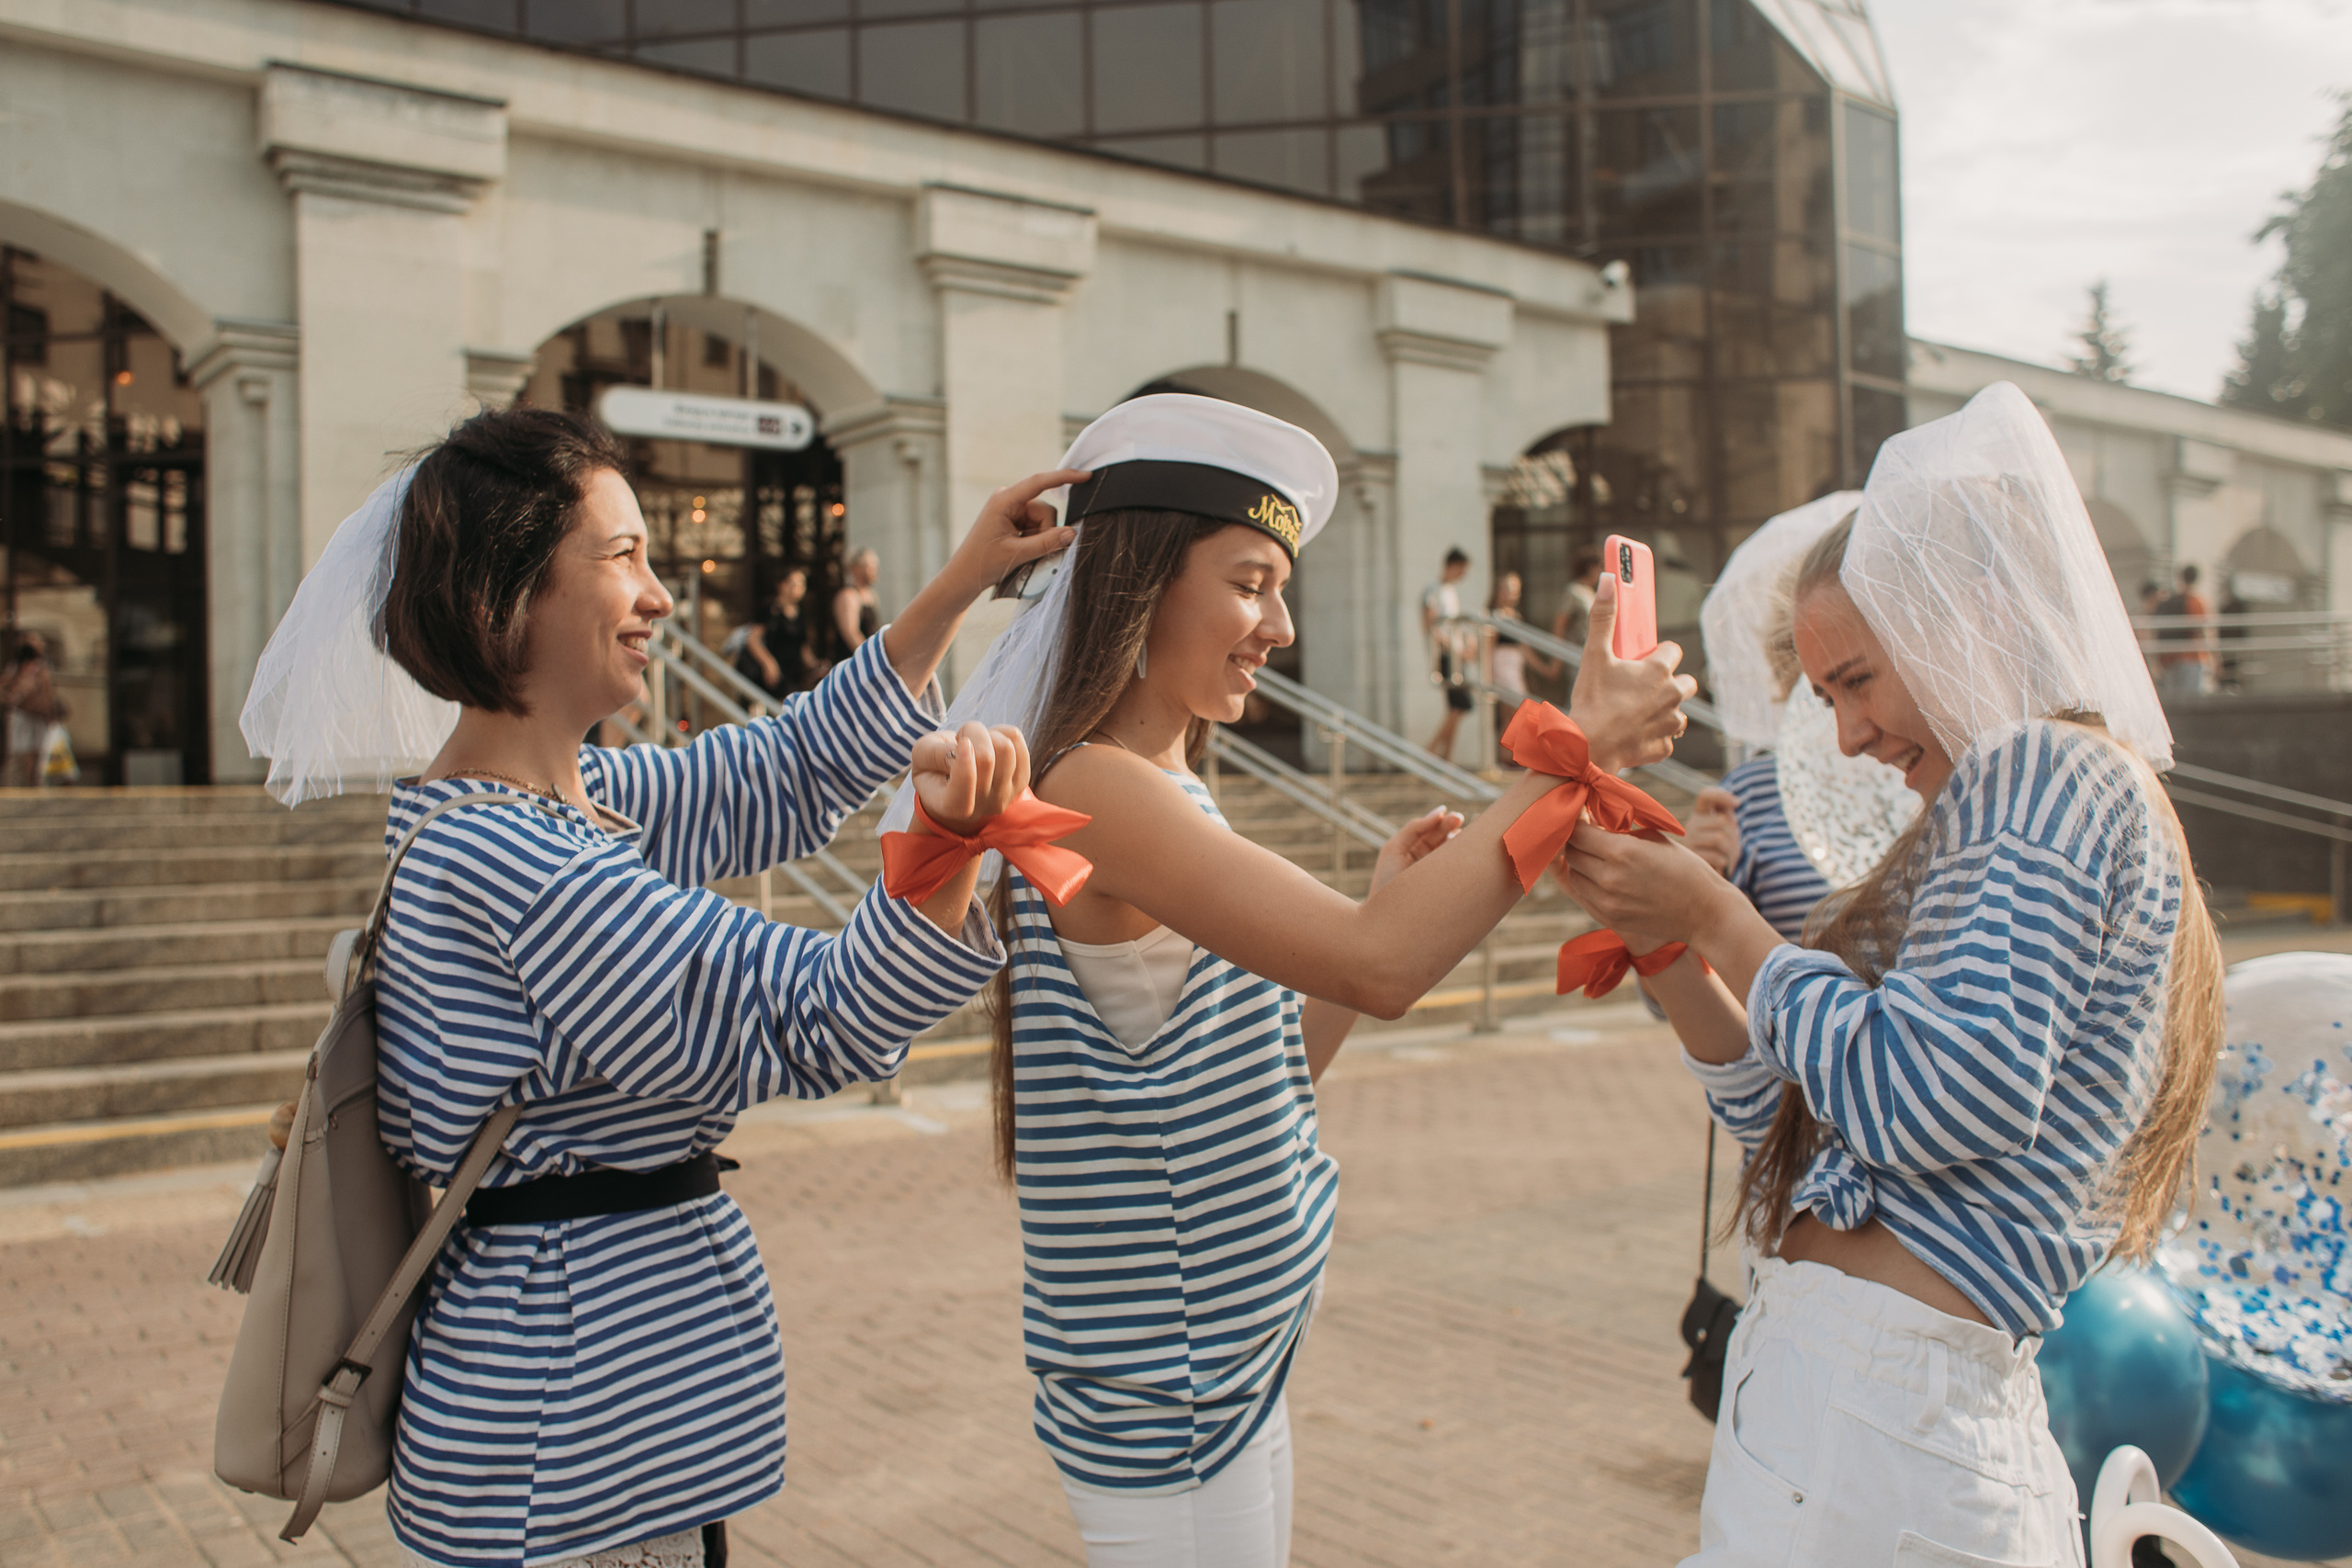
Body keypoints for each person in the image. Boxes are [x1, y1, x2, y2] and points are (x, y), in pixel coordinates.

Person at [238, 405, 1082, 1568]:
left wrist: (955, 589)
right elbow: (806, 1015)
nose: (663, 596)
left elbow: (777, 770)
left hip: (578, 1427)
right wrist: (942, 850)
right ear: (505, 595)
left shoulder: (552, 797)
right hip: (575, 1456)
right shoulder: (512, 859)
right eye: (622, 557)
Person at [885, 393, 1696, 1568]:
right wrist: (1576, 751)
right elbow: (1383, 966)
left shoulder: (1155, 782)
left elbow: (1255, 1065)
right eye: (1251, 581)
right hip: (1169, 1384)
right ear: (1144, 580)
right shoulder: (1101, 788)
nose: (1280, 626)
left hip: (1219, 1369)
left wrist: (1382, 900)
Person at [1557, 382, 2222, 1568]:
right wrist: (1663, 935)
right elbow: (1789, 1111)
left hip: (1885, 1415)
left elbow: (1932, 1097)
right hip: (1855, 1407)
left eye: (1856, 680)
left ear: (1961, 612)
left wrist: (1716, 915)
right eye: (1826, 699)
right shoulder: (2008, 801)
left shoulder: (2044, 769)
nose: (1850, 736)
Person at [1483, 570, 1558, 763]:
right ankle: (1505, 755)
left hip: (1515, 666)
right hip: (1501, 664)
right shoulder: (1493, 616)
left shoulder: (1515, 615)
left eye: (1516, 590)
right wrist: (1488, 674)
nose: (1512, 594)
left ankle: (1509, 754)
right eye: (1508, 590)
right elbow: (1488, 647)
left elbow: (1524, 648)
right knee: (1512, 710)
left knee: (1513, 712)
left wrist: (1543, 668)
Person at [1421, 546, 1476, 759]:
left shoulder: (1449, 591)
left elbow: (1456, 625)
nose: (1463, 575)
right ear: (1452, 566)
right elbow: (1430, 622)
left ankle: (1444, 757)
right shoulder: (1434, 589)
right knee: (1460, 704)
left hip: (1455, 653)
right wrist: (1448, 646)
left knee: (1457, 707)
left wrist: (1467, 643)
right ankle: (1432, 751)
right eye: (1462, 569)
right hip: (1446, 655)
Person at [739, 564, 817, 698]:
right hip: (770, 675)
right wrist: (769, 664)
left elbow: (802, 646)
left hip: (792, 674)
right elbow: (753, 640)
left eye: (801, 584)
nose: (797, 588)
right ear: (781, 585)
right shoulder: (770, 610)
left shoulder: (801, 613)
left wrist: (814, 665)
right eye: (793, 583)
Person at [0, 632, 64, 789]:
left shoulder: (42, 667)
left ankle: (34, 786)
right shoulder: (19, 666)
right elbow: (7, 687)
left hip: (38, 716)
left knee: (36, 755)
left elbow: (48, 692)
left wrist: (50, 712)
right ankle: (14, 788)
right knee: (17, 756)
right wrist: (14, 697)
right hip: (22, 715)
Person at [2154, 563, 2214, 697]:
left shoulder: (2169, 601)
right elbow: (2200, 631)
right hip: (2191, 658)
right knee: (2190, 700)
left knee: (2172, 703)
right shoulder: (2195, 602)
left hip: (2169, 658)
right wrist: (2212, 658)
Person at [831, 546, 880, 666]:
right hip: (852, 667)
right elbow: (851, 633)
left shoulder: (871, 596)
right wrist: (873, 660)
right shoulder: (848, 596)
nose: (875, 571)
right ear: (856, 568)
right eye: (871, 566)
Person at [1551, 548, 1603, 650]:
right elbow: (1560, 625)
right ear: (1591, 568)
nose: (1603, 571)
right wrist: (1558, 657)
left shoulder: (1593, 593)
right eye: (1601, 566)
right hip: (1577, 654)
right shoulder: (1574, 591)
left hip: (1593, 652)